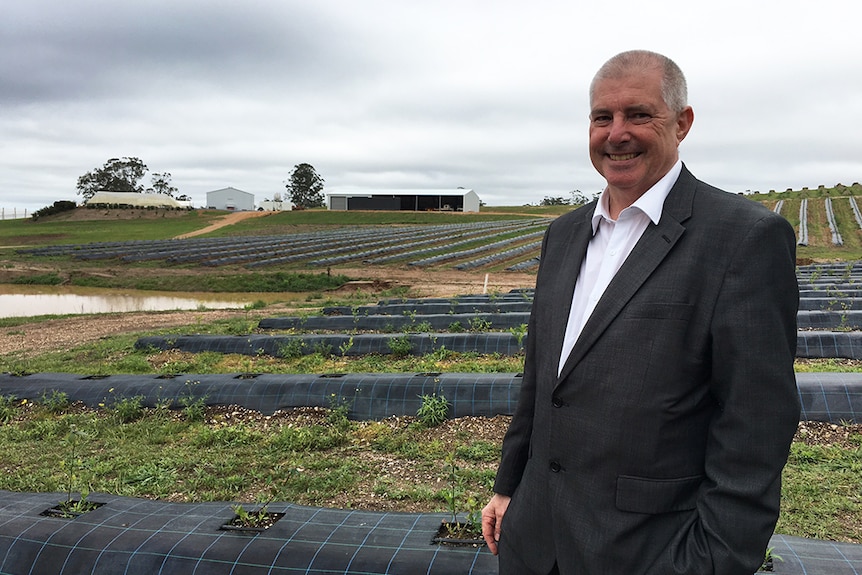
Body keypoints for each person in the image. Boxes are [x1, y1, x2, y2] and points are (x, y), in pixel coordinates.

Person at [481, 50, 800, 575]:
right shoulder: (563, 235)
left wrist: (715, 559)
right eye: (602, 118)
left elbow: (756, 422)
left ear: (682, 123)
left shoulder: (743, 238)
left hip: (649, 549)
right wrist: (509, 486)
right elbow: (541, 379)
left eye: (639, 115)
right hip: (535, 539)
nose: (617, 133)